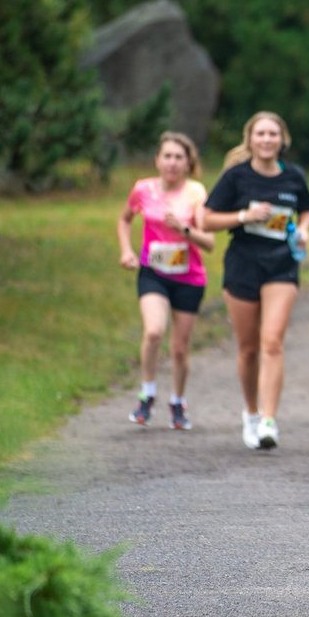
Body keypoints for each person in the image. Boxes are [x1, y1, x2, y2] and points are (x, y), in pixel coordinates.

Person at [202, 112, 309, 450]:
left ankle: (268, 420)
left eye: (272, 134)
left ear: (282, 140)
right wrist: (243, 216)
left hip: (281, 266)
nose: (267, 139)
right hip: (243, 266)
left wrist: (304, 229)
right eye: (260, 134)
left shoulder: (293, 176)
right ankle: (251, 413)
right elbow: (206, 220)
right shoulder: (236, 177)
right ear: (250, 139)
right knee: (248, 348)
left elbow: (307, 209)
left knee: (272, 342)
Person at [118, 131, 214, 430]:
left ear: (188, 163)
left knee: (180, 348)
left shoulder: (196, 193)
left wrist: (184, 229)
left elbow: (209, 242)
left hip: (189, 277)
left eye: (178, 157)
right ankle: (147, 393)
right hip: (154, 273)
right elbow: (124, 219)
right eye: (167, 156)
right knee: (154, 331)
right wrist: (126, 250)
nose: (172, 163)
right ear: (157, 160)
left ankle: (177, 401)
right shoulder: (143, 189)